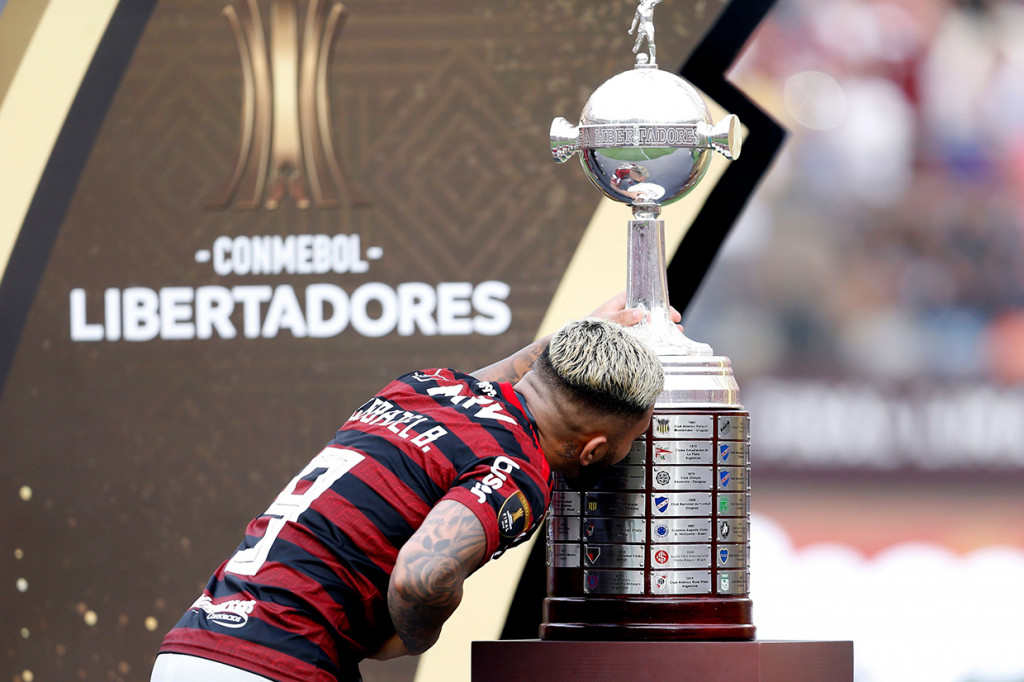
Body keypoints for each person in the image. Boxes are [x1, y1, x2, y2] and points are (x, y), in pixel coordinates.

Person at [151, 294, 666, 682]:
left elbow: (508, 388)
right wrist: (412, 636)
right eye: (630, 442)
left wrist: (578, 343)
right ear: (593, 449)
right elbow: (424, 575)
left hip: (194, 647)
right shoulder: (518, 468)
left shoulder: (426, 386)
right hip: (280, 662)